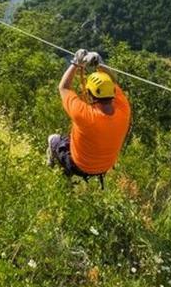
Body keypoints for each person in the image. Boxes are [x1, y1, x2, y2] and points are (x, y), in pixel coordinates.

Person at [47, 49, 131, 185]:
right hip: (105, 167)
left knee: (54, 139)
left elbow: (64, 87)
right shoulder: (124, 109)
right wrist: (100, 64)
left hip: (79, 166)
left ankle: (61, 167)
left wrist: (75, 63)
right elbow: (113, 82)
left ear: (90, 95)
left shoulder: (85, 115)